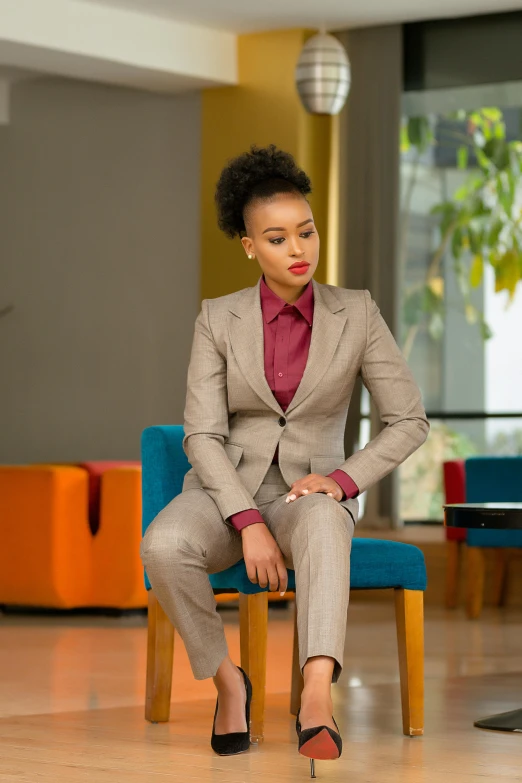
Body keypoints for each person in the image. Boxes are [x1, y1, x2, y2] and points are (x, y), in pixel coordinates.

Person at [140, 144, 429, 772]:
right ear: (249, 246)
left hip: (311, 492)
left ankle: (317, 697)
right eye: (277, 237)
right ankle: (228, 685)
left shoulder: (358, 314)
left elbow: (409, 420)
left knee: (327, 518)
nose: (298, 248)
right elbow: (201, 435)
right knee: (162, 546)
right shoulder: (218, 319)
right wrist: (247, 523)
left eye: (307, 230)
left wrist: (344, 479)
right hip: (225, 492)